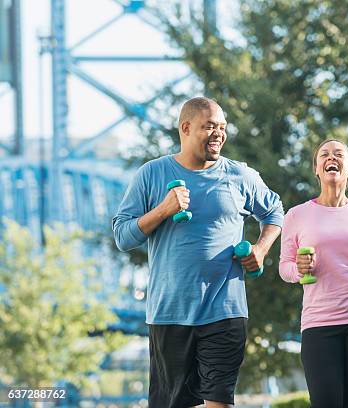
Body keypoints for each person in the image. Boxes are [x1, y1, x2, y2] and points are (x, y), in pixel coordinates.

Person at [112, 96, 283, 408]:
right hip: (169, 312)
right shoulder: (151, 174)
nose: (218, 133)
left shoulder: (240, 176)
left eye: (222, 127)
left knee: (219, 402)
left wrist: (260, 248)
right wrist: (163, 210)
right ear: (186, 128)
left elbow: (274, 212)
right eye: (209, 126)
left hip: (225, 309)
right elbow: (123, 237)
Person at [279, 139, 348, 408]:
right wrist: (299, 270)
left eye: (339, 154)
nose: (332, 157)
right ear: (316, 168)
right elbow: (284, 267)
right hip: (320, 322)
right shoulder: (296, 215)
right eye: (324, 154)